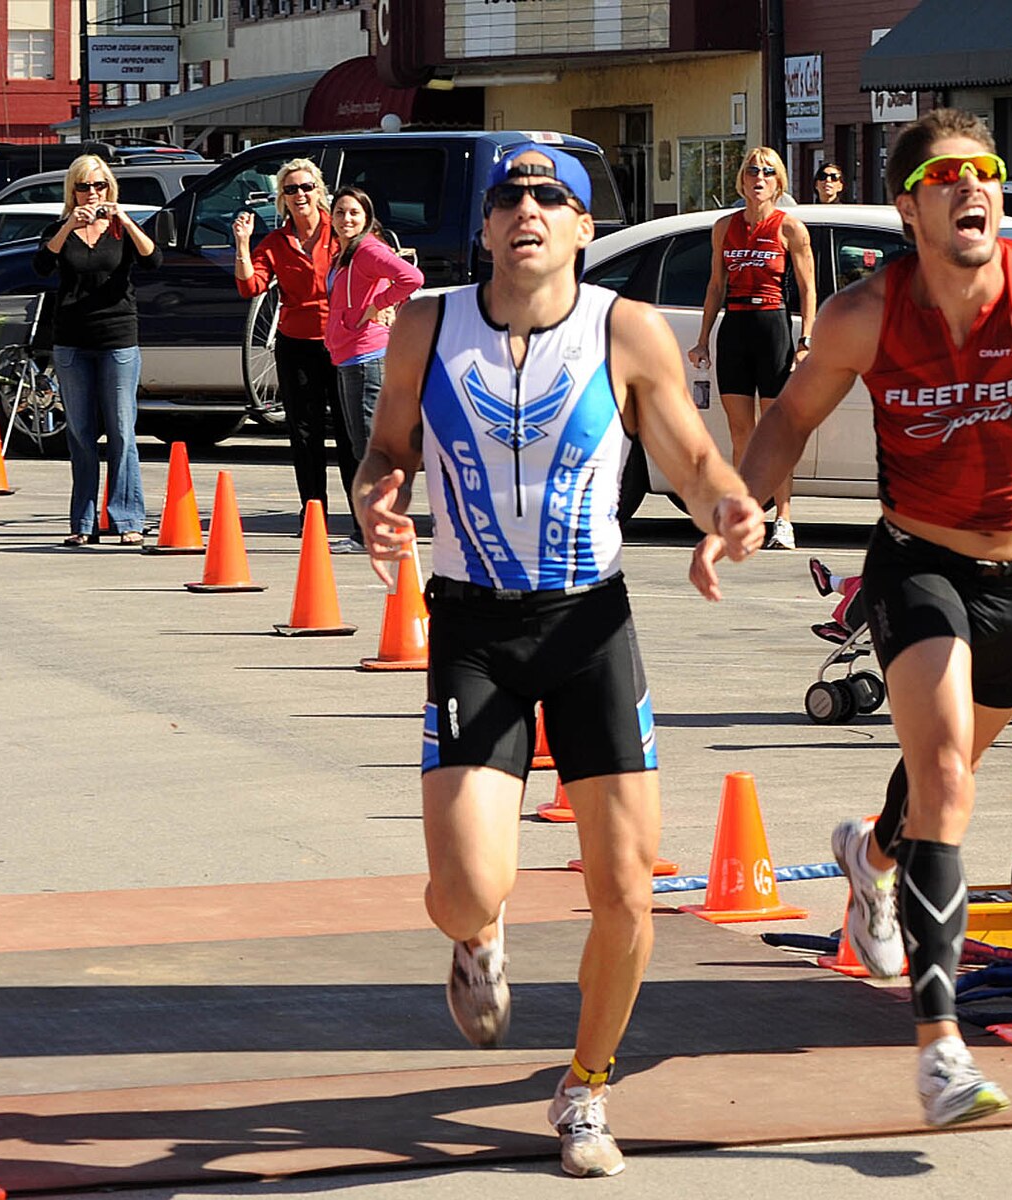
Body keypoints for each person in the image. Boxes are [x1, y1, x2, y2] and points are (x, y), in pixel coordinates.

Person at [690, 108, 1012, 1127]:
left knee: (942, 772)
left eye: (987, 171)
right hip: (915, 564)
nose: (974, 188)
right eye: (947, 175)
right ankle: (939, 1049)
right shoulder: (864, 313)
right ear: (909, 204)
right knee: (947, 776)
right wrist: (742, 503)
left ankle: (868, 858)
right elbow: (785, 415)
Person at [352, 145, 763, 1178]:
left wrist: (725, 506)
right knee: (459, 887)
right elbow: (387, 450)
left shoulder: (622, 330)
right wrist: (375, 497)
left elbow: (688, 449)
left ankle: (584, 1087)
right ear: (484, 229)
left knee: (624, 890)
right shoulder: (423, 328)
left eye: (551, 199)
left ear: (582, 228)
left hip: (590, 626)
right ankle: (476, 934)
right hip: (475, 628)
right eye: (507, 198)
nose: (526, 210)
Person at [687, 146, 817, 550]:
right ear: (741, 181)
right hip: (736, 327)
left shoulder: (790, 228)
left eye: (767, 172)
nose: (757, 178)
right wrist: (703, 338)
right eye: (751, 172)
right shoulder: (724, 227)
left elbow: (810, 288)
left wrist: (805, 341)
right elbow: (714, 285)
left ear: (779, 183)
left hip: (773, 325)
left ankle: (784, 519)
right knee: (741, 432)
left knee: (775, 431)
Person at [34, 154, 160, 548]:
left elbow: (153, 259)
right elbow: (41, 264)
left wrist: (123, 219)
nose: (93, 194)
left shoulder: (121, 229)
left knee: (122, 430)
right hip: (72, 340)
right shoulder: (61, 228)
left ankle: (127, 519)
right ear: (72, 191)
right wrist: (70, 224)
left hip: (117, 338)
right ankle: (83, 521)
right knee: (81, 433)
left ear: (111, 188)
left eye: (100, 186)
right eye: (84, 187)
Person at [234, 159, 357, 542]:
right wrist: (241, 244)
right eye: (291, 190)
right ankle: (313, 515)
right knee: (305, 435)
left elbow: (375, 268)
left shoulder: (340, 232)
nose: (299, 195)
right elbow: (251, 287)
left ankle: (361, 522)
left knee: (350, 434)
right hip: (296, 345)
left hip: (340, 345)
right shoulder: (275, 243)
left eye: (305, 187)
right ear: (282, 199)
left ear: (319, 191)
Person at [325, 186, 424, 553]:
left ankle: (381, 529)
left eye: (354, 212)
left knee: (369, 448)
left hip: (366, 356)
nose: (346, 219)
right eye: (339, 212)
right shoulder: (344, 253)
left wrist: (375, 307)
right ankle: (369, 529)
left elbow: (411, 278)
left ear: (366, 216)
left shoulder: (368, 249)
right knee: (359, 447)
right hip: (347, 355)